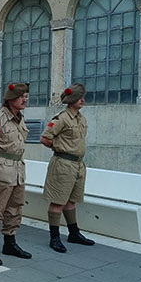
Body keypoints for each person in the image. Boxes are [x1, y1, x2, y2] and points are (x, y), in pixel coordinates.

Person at [0, 83, 32, 266]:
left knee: (15, 208)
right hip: (1, 171)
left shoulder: (20, 118)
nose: (24, 99)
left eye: (25, 96)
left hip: (17, 169)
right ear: (10, 99)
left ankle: (10, 243)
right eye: (21, 96)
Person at [40, 83, 95, 253]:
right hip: (63, 164)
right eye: (79, 98)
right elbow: (45, 138)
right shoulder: (61, 119)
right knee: (58, 201)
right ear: (71, 100)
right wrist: (59, 147)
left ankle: (73, 233)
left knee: (71, 201)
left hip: (78, 165)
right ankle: (54, 237)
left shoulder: (80, 118)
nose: (83, 100)